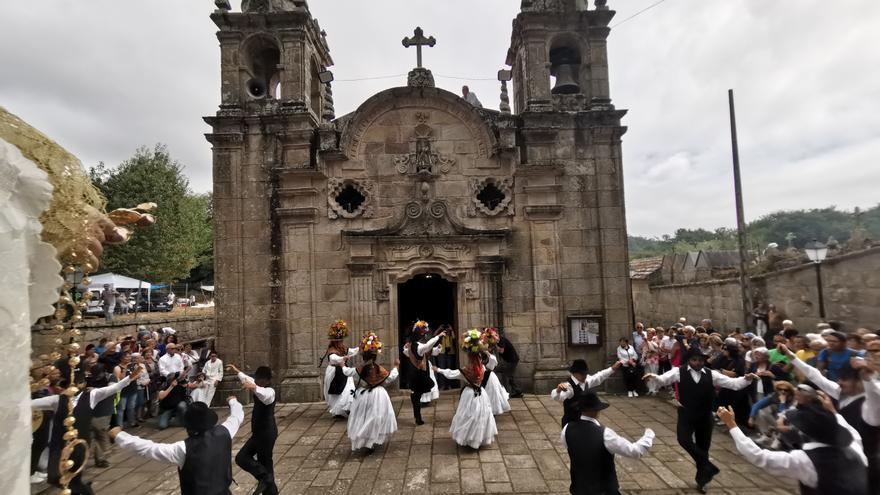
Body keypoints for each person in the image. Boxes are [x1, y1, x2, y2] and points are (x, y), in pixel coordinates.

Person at [644, 346, 758, 492]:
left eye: (700, 360)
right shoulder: (679, 371)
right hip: (686, 413)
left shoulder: (712, 374)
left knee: (703, 447)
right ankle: (708, 465)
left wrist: (746, 379)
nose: (698, 363)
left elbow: (733, 384)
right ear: (689, 360)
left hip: (705, 416)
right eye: (694, 360)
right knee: (683, 439)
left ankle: (702, 480)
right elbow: (664, 379)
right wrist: (654, 378)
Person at [718, 394, 869, 495]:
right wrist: (832, 413)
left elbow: (759, 456)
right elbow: (850, 431)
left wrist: (731, 424)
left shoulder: (804, 460)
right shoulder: (854, 447)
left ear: (804, 433)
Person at [31, 361, 142, 495]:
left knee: (73, 477)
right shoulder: (57, 400)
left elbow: (114, 388)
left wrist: (129, 378)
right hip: (60, 446)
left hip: (80, 444)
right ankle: (85, 490)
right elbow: (31, 404)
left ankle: (83, 491)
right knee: (55, 477)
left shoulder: (91, 396)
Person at [780, 343, 880, 488]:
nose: (839, 382)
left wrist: (867, 376)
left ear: (859, 382)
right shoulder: (843, 393)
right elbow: (816, 376)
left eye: (845, 379)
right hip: (843, 461)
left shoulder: (871, 407)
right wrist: (791, 356)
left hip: (866, 469)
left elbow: (875, 396)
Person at [110, 396, 244, 495]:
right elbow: (237, 416)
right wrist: (232, 401)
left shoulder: (184, 449)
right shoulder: (224, 432)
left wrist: (119, 435)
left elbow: (148, 449)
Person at [561, 391, 655, 495]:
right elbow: (635, 451)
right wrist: (649, 435)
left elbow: (571, 448)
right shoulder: (605, 434)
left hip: (578, 489)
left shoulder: (567, 429)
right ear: (597, 410)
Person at [434, 328, 497, 449]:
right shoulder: (483, 367)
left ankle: (470, 439)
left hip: (469, 394)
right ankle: (478, 438)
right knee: (480, 415)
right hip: (481, 394)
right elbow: (493, 364)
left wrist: (438, 370)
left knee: (467, 415)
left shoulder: (467, 370)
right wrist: (486, 353)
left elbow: (452, 374)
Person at [342, 332, 400, 453]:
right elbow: (390, 378)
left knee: (363, 417)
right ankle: (372, 440)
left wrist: (342, 364)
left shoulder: (359, 369)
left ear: (363, 356)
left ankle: (367, 440)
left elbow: (347, 372)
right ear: (375, 356)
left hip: (363, 395)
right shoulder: (380, 369)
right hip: (379, 396)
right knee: (376, 417)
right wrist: (395, 366)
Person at [229, 364, 279, 495]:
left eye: (259, 380)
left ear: (267, 381)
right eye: (256, 379)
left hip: (267, 434)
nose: (256, 381)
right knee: (243, 458)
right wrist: (237, 371)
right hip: (258, 434)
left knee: (263, 463)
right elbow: (248, 380)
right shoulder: (258, 385)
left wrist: (255, 387)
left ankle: (267, 482)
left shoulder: (270, 392)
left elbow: (264, 395)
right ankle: (266, 479)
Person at [552, 358, 621, 426]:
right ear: (575, 373)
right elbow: (557, 398)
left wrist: (612, 368)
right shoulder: (569, 387)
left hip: (583, 422)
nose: (585, 376)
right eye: (582, 374)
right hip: (571, 423)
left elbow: (599, 376)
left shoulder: (587, 380)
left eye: (585, 373)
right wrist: (558, 390)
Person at [403, 321, 443, 425]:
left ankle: (418, 414)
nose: (425, 336)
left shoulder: (413, 345)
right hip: (419, 374)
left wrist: (437, 349)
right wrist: (438, 336)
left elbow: (408, 352)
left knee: (418, 393)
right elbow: (427, 347)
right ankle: (418, 413)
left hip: (414, 373)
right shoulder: (419, 346)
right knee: (426, 386)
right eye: (423, 334)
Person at [322, 320, 358, 417]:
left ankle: (348, 407)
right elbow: (333, 358)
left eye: (341, 340)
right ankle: (338, 410)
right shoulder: (332, 350)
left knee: (348, 388)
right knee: (337, 391)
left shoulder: (342, 348)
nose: (341, 342)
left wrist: (361, 348)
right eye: (339, 341)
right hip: (334, 372)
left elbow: (351, 351)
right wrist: (343, 358)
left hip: (343, 370)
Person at [495, 328, 523, 398]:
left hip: (512, 360)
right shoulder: (498, 341)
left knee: (505, 375)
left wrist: (494, 345)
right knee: (509, 376)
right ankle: (517, 392)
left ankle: (508, 393)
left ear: (496, 334)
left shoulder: (501, 339)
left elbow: (501, 351)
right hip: (510, 360)